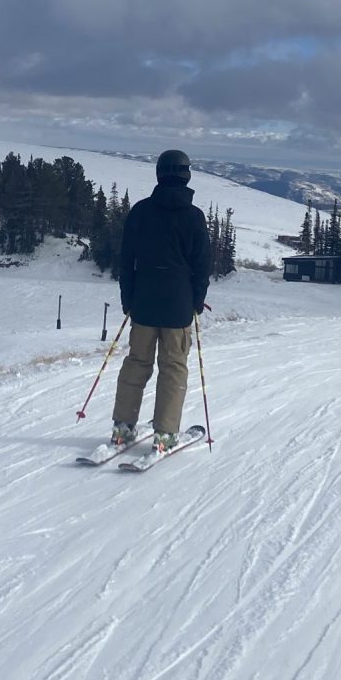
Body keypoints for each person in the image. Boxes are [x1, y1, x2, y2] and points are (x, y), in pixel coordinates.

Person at [111, 149, 211, 453]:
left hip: (143, 303)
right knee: (173, 368)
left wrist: (128, 300)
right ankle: (165, 434)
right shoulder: (194, 217)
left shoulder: (140, 211)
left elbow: (126, 260)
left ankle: (122, 429)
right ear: (186, 175)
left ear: (159, 174)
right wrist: (195, 302)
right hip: (178, 306)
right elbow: (202, 266)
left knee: (136, 364)